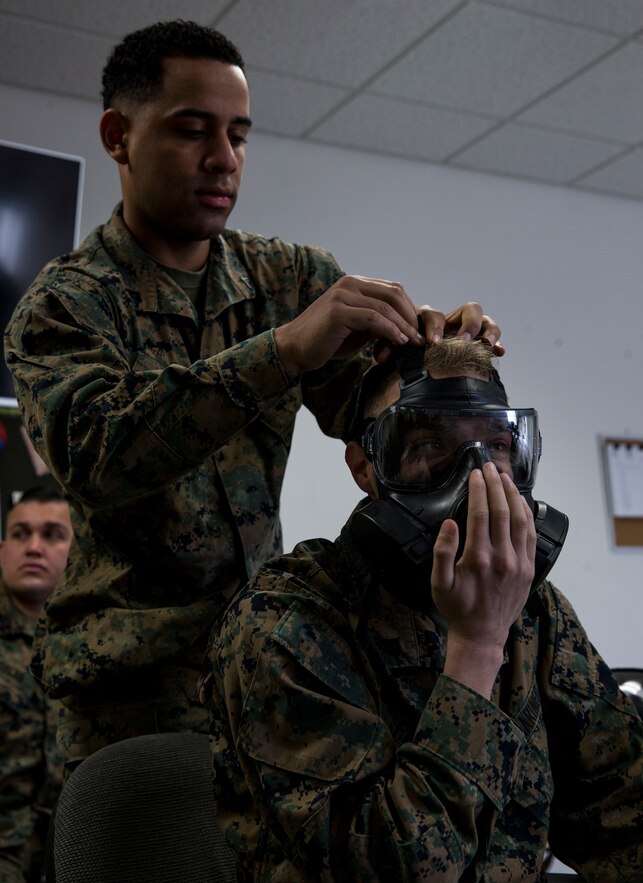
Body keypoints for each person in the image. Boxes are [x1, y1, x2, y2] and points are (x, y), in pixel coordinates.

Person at [3, 20, 501, 769]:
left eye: (238, 135)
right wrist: (282, 351)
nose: (222, 160)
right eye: (192, 130)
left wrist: (437, 361)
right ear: (117, 135)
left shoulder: (289, 278)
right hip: (127, 690)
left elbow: (365, 418)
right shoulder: (66, 305)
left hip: (270, 664)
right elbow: (95, 456)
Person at [202, 338, 642, 883]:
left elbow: (622, 812)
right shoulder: (282, 624)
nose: (478, 476)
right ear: (366, 467)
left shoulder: (534, 612)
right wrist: (479, 646)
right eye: (431, 443)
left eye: (498, 446)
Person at [0, 487, 73, 883]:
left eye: (52, 534)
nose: (33, 547)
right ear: (1, 548)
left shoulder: (104, 641)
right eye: (20, 534)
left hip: (72, 853)